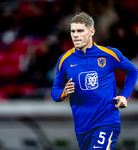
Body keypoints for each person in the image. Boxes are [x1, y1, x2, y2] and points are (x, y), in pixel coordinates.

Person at [51, 12, 138, 150]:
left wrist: (125, 96)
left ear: (91, 32)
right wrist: (64, 92)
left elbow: (133, 71)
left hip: (107, 121)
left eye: (80, 31)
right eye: (72, 31)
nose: (75, 35)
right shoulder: (65, 60)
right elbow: (55, 92)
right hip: (82, 127)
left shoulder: (109, 54)